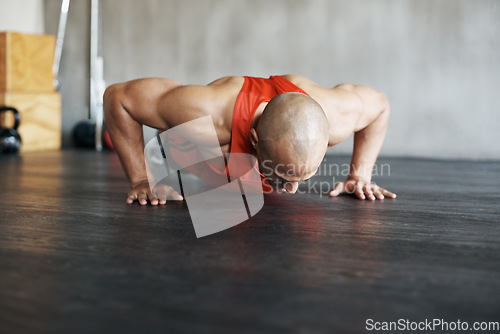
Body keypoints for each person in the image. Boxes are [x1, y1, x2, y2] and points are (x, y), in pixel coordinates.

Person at [103, 74, 396, 205]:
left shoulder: (336, 115)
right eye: (284, 176)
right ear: (253, 140)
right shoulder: (206, 116)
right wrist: (141, 181)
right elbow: (117, 98)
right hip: (208, 138)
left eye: (305, 175)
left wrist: (360, 175)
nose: (292, 191)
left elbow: (380, 105)